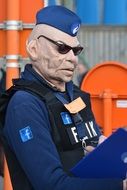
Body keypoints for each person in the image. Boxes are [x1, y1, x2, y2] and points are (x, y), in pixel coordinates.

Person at [3, 5, 127, 190]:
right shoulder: (25, 105)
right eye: (62, 48)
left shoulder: (75, 95)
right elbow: (51, 185)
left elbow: (87, 147)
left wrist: (107, 152)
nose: (73, 58)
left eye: (75, 51)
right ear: (34, 49)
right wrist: (120, 186)